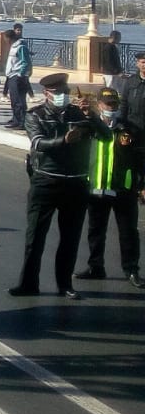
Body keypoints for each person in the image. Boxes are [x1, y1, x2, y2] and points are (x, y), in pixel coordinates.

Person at [11, 73, 92, 299]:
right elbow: (38, 143)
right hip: (46, 180)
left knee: (70, 238)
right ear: (46, 93)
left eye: (65, 92)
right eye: (57, 93)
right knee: (35, 236)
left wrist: (92, 116)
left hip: (75, 182)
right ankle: (28, 283)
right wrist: (63, 140)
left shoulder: (78, 114)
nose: (62, 96)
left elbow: (104, 136)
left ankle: (65, 284)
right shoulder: (35, 115)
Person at [75, 88, 144, 288]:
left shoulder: (129, 129)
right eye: (107, 104)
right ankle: (95, 267)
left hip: (123, 189)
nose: (111, 107)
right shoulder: (90, 127)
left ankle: (131, 270)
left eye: (114, 104)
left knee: (128, 233)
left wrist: (142, 185)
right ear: (99, 105)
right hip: (97, 188)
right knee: (96, 231)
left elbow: (141, 159)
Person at [2, 25, 32, 129]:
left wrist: (20, 74)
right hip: (11, 76)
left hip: (18, 77)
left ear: (9, 38)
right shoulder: (13, 47)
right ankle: (16, 120)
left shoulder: (21, 47)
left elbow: (25, 62)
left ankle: (22, 122)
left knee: (19, 101)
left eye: (5, 38)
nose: (5, 41)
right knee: (14, 101)